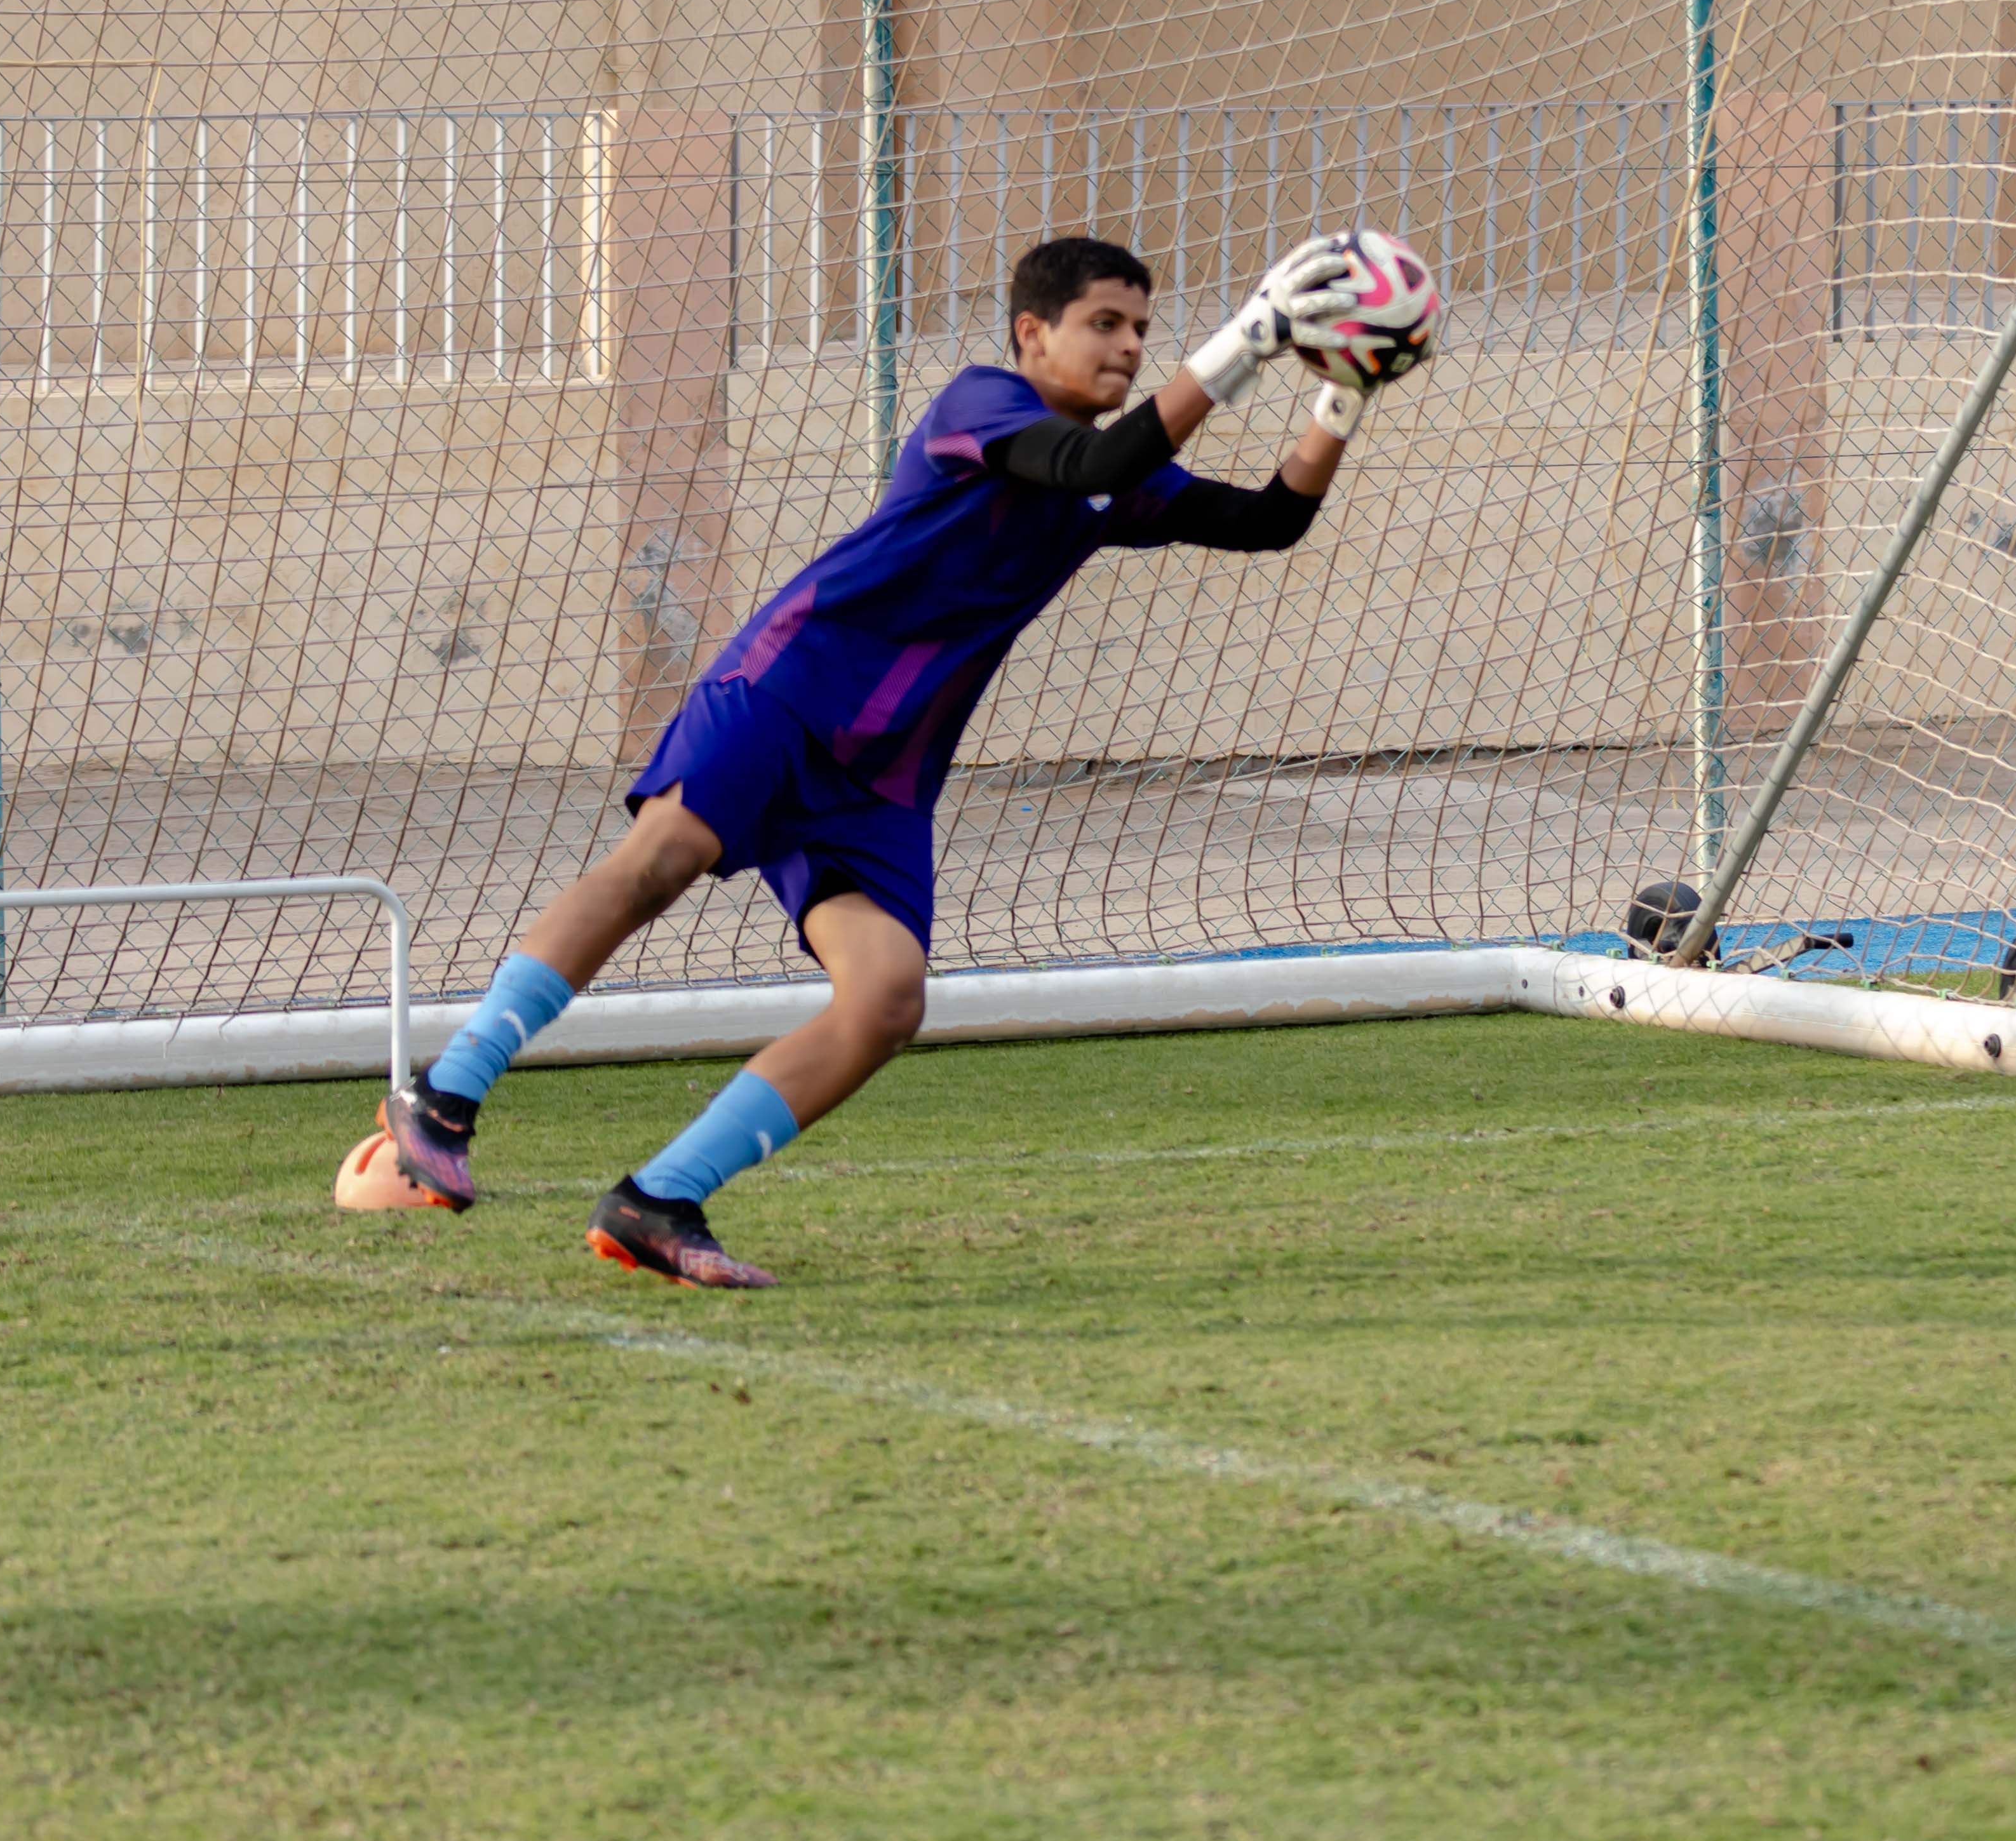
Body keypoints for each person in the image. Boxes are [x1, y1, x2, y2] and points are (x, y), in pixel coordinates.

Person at [376, 230, 1397, 1287]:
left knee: (887, 996)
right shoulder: (981, 405)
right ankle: (446, 1093)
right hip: (789, 687)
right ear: (1029, 332)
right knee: (661, 857)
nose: (1130, 345)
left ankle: (658, 1199)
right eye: (1105, 323)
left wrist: (1344, 394)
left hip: (884, 778)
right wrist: (1246, 342)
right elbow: (1089, 458)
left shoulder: (1119, 481)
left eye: (1142, 328)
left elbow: (1271, 520)